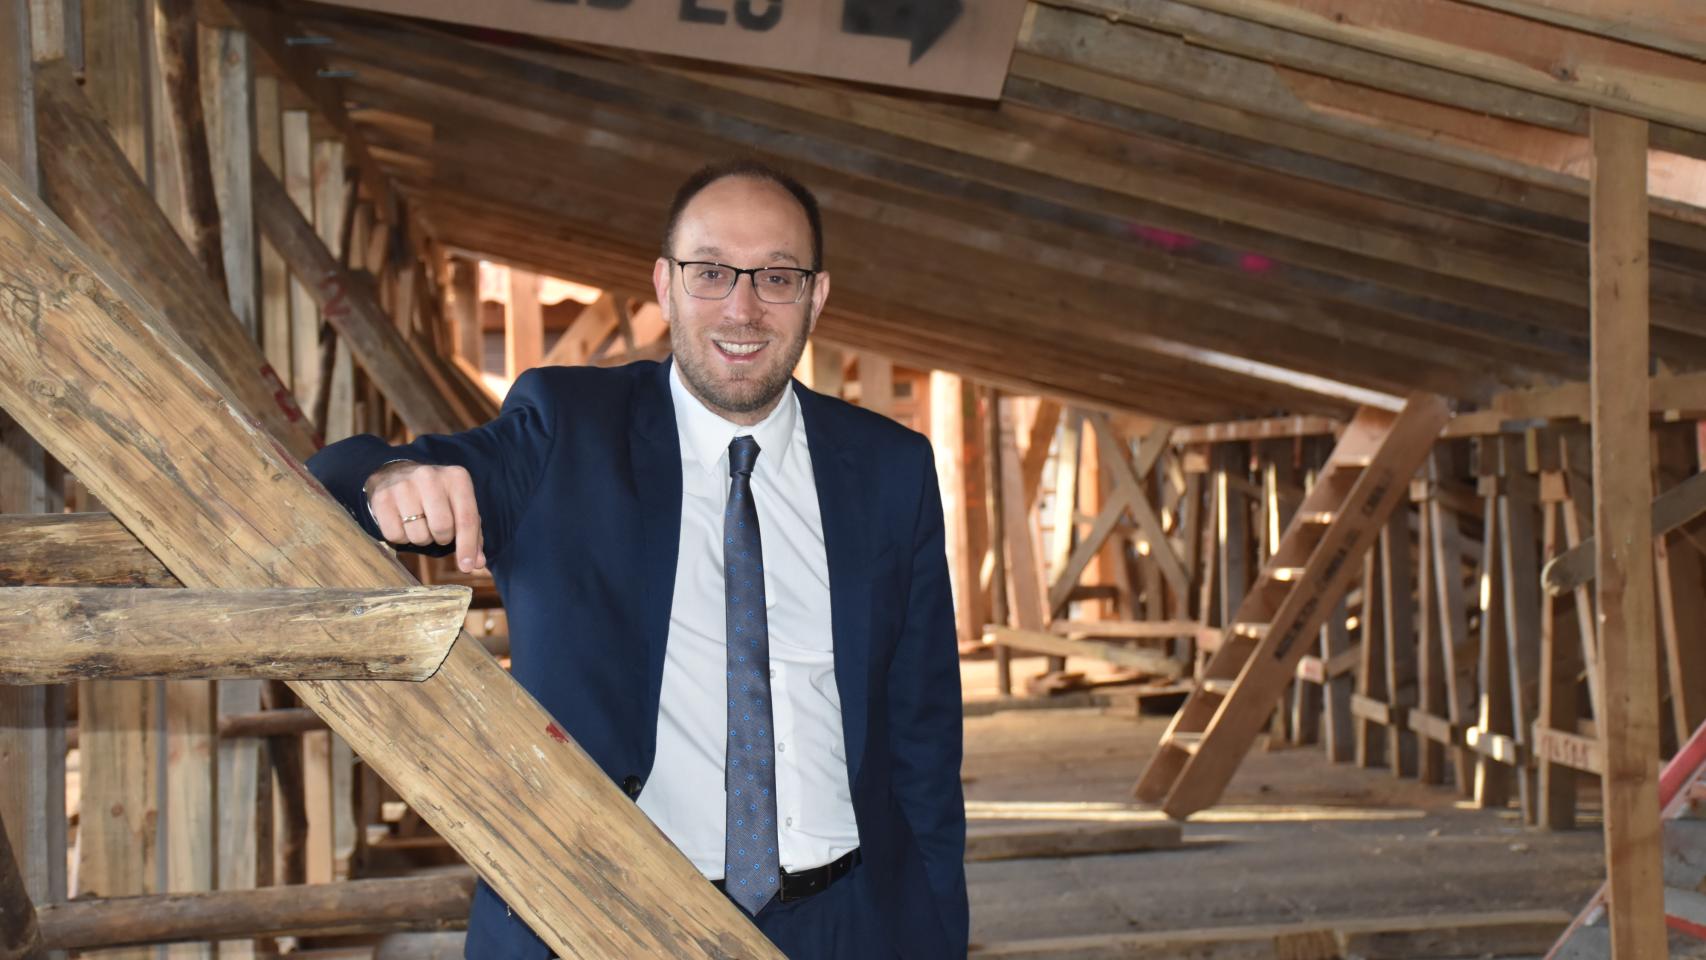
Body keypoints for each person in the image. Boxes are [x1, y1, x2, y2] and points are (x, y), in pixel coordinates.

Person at [307, 159, 968, 959]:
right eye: (711, 272)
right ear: (663, 284)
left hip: (845, 921)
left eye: (777, 277)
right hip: (608, 917)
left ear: (816, 296)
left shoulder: (891, 469)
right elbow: (337, 476)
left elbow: (923, 736)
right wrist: (395, 481)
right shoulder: (567, 432)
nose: (743, 306)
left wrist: (936, 933)